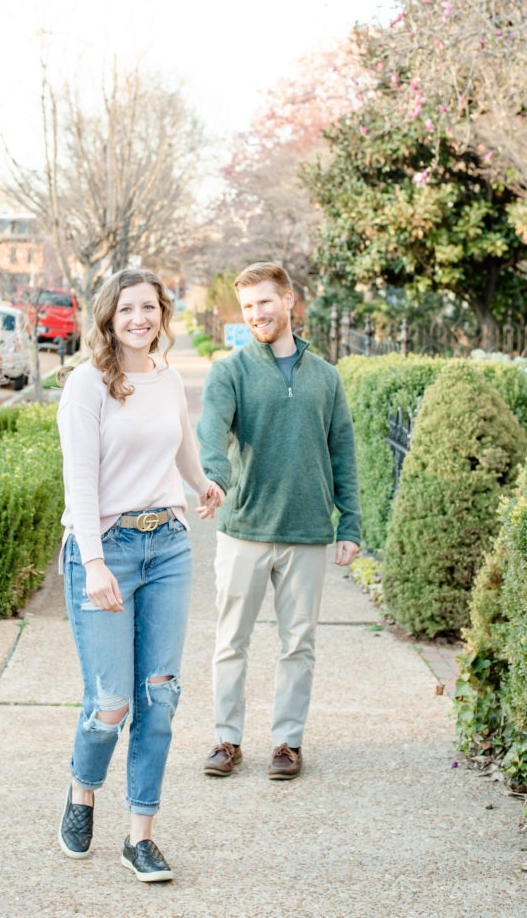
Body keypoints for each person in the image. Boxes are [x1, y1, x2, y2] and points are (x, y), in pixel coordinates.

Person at [56, 267, 221, 883]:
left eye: (148, 308)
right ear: (109, 316)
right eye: (127, 309)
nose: (139, 319)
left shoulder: (169, 378)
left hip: (171, 546)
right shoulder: (88, 384)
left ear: (162, 314)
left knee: (161, 696)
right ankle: (81, 791)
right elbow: (81, 479)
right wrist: (95, 561)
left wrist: (202, 482)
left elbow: (179, 445)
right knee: (110, 703)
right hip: (107, 549)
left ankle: (140, 836)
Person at [197, 261, 361, 781]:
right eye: (247, 307)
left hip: (307, 531)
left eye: (265, 302)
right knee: (231, 641)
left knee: (298, 644)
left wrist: (351, 523)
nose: (257, 314)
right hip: (245, 528)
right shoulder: (230, 372)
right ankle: (227, 740)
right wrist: (215, 479)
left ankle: (287, 743)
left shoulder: (326, 377)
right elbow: (211, 434)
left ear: (289, 300)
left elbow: (343, 453)